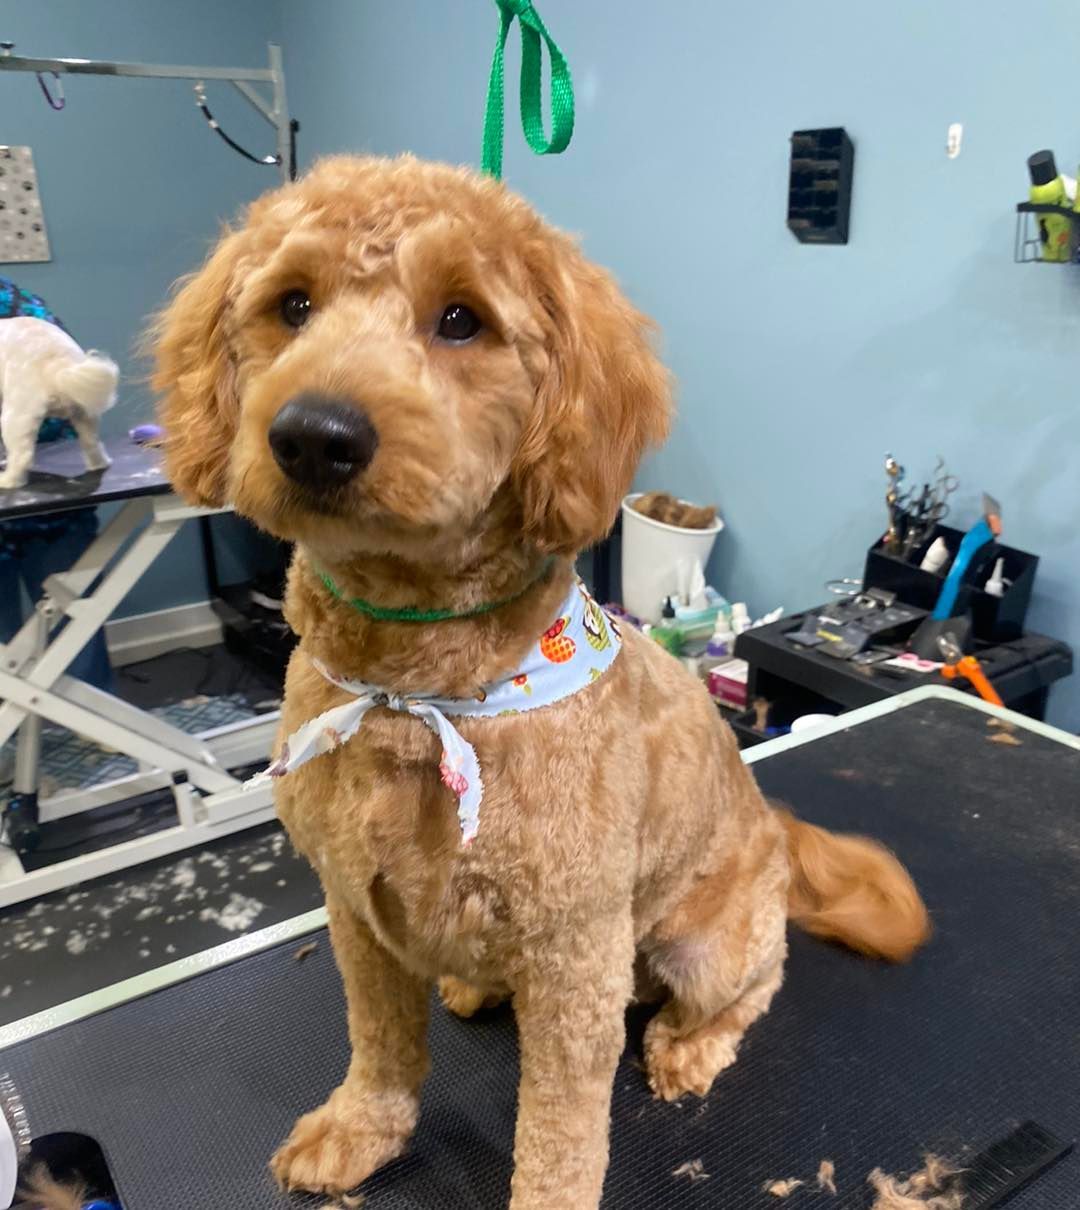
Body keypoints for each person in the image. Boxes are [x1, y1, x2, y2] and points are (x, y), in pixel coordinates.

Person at [0, 278, 113, 726]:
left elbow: (67, 391)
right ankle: (11, 734)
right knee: (6, 643)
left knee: (76, 622)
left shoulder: (18, 305)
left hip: (53, 504)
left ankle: (98, 724)